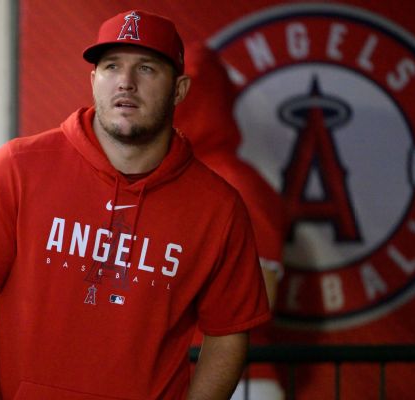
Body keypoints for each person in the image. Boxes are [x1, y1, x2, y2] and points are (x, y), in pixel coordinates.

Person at [0, 9, 271, 400]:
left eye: (147, 68)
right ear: (94, 80)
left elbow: (229, 332)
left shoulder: (219, 206)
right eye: (112, 66)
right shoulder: (18, 167)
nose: (126, 83)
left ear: (180, 90)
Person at [175, 42, 287, 400]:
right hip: (190, 374)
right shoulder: (177, 178)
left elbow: (262, 294)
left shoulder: (235, 183)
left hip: (235, 381)